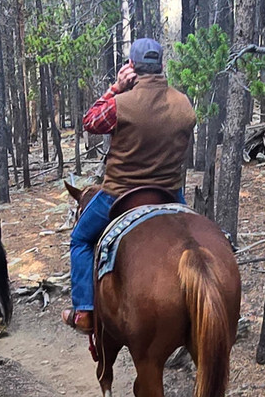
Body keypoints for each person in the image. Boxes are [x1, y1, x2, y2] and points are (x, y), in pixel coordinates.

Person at [62, 37, 196, 334]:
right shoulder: (184, 103)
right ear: (162, 65)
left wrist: (115, 88)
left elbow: (90, 121)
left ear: (131, 67)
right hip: (170, 192)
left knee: (80, 240)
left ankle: (84, 310)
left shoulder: (120, 104)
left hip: (121, 193)